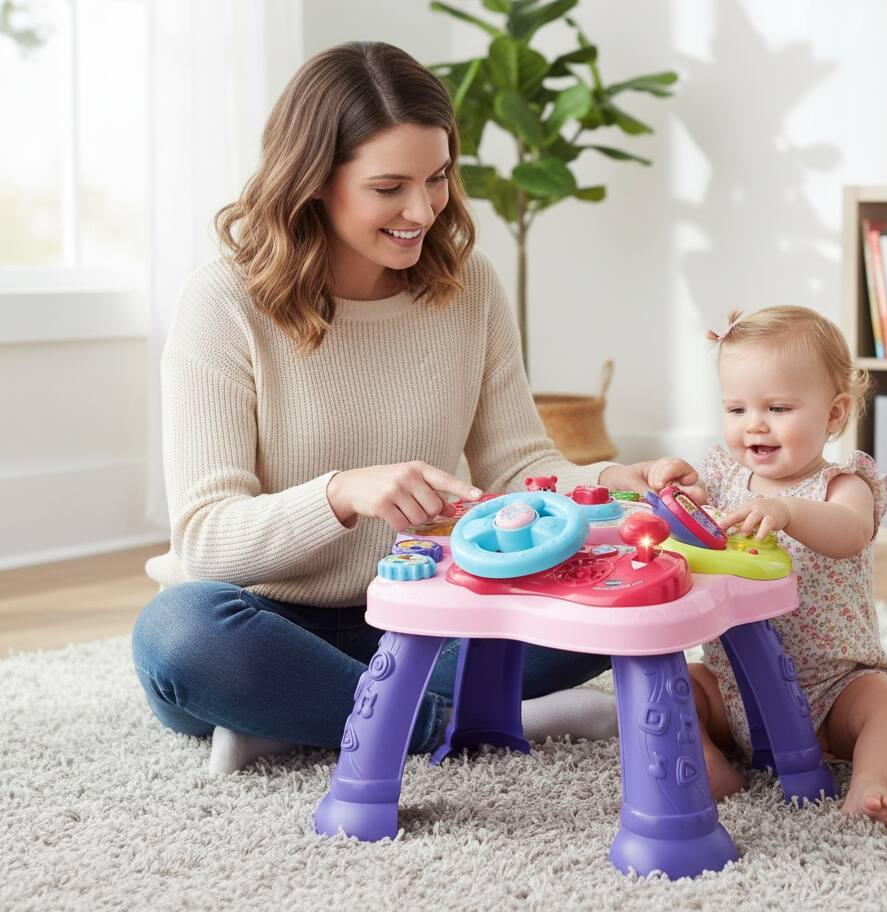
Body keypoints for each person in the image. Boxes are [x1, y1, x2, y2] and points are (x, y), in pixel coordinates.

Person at [132, 41, 699, 775]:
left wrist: (618, 479)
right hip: (263, 625)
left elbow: (520, 463)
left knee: (623, 592)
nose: (423, 209)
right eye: (388, 187)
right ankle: (460, 722)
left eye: (436, 179)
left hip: (433, 609)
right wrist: (339, 494)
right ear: (313, 182)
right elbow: (205, 540)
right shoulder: (224, 301)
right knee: (181, 637)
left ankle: (320, 721)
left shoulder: (471, 288)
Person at [686, 306, 887, 829]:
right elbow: (691, 518)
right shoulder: (724, 477)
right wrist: (677, 487)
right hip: (731, 685)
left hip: (832, 691)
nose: (755, 424)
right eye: (736, 408)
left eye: (778, 407)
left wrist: (789, 512)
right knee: (674, 683)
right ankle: (707, 762)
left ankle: (870, 783)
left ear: (834, 414)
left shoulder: (843, 486)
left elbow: (849, 532)